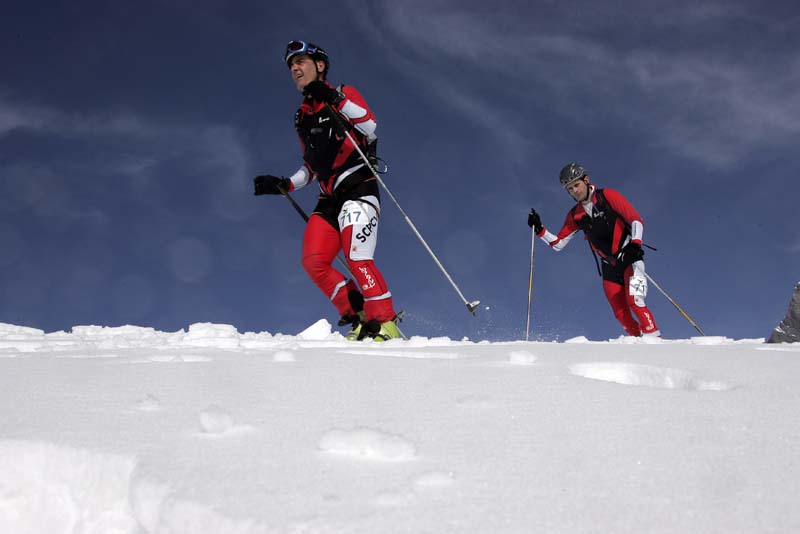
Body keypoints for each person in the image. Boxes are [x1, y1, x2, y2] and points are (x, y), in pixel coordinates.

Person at [253, 40, 400, 341]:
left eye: (301, 62)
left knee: (357, 256)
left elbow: (370, 126)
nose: (294, 69)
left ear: (320, 65)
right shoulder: (302, 116)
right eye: (291, 65)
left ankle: (385, 323)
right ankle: (359, 316)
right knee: (314, 261)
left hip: (358, 187)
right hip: (328, 198)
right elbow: (311, 166)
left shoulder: (344, 93)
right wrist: (284, 184)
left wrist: (334, 97)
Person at [527, 163, 661, 337]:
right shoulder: (575, 215)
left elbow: (635, 219)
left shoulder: (607, 195)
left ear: (586, 180)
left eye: (576, 185)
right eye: (570, 189)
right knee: (620, 313)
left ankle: (655, 341)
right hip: (609, 268)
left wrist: (636, 244)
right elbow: (559, 244)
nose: (574, 191)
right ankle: (638, 344)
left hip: (631, 259)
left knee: (636, 300)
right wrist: (539, 229)